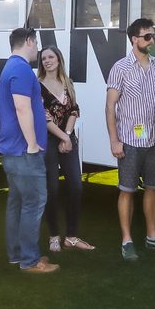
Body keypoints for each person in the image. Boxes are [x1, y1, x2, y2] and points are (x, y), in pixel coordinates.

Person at [105, 17, 155, 261]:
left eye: (154, 36)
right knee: (127, 190)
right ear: (134, 39)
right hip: (129, 140)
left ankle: (152, 237)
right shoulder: (120, 67)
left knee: (153, 189)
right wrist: (114, 141)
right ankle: (126, 240)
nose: (152, 40)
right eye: (147, 36)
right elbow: (110, 107)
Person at [0, 27, 57, 273]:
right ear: (29, 41)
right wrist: (32, 144)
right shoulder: (21, 69)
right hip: (23, 151)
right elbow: (23, 109)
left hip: (13, 149)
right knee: (33, 202)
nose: (38, 50)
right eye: (37, 43)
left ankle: (17, 254)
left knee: (18, 202)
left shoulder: (11, 67)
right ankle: (29, 260)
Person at [37, 46, 93, 253]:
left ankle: (71, 236)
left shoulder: (67, 83)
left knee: (76, 187)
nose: (47, 61)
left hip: (68, 138)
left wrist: (68, 136)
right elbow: (44, 117)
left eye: (51, 57)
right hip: (49, 141)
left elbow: (74, 110)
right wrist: (63, 137)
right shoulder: (38, 85)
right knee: (52, 189)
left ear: (59, 59)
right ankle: (53, 235)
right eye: (43, 58)